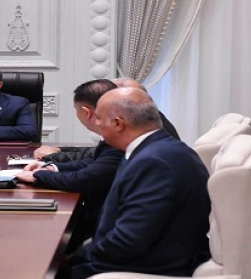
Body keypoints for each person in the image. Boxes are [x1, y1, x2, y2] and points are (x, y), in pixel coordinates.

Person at [71, 87, 210, 278]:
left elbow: (126, 242)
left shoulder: (154, 163)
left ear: (118, 123)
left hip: (152, 266)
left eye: (100, 118)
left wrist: (71, 257)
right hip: (152, 254)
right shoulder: (160, 149)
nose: (97, 124)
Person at [15, 79, 123, 251]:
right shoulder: (122, 137)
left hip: (108, 227)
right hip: (106, 217)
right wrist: (52, 167)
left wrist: (39, 175)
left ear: (86, 112)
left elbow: (84, 179)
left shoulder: (120, 140)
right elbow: (94, 161)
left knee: (38, 235)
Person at [35, 77, 180, 162]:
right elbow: (98, 153)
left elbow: (96, 165)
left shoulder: (134, 129)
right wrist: (59, 151)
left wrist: (53, 157)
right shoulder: (148, 121)